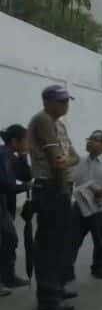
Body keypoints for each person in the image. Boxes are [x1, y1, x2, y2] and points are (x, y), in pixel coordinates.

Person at [28, 85, 80, 310]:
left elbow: (75, 156)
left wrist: (66, 161)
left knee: (60, 242)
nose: (65, 104)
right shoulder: (43, 120)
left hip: (61, 188)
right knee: (49, 245)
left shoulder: (58, 124)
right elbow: (57, 163)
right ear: (47, 101)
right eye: (61, 101)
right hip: (52, 188)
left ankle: (56, 286)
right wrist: (65, 165)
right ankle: (48, 297)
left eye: (67, 100)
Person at [66, 130, 102, 283]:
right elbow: (71, 179)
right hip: (79, 206)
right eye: (89, 139)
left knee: (100, 239)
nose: (90, 142)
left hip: (101, 206)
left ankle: (99, 266)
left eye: (95, 140)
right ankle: (66, 268)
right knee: (72, 238)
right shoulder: (79, 161)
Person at [0, 124, 32, 290]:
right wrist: (26, 187)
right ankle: (7, 278)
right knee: (8, 240)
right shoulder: (3, 155)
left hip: (4, 206)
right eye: (25, 140)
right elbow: (7, 185)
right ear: (15, 141)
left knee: (9, 240)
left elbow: (25, 175)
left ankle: (7, 277)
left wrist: (23, 154)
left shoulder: (10, 155)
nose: (28, 142)